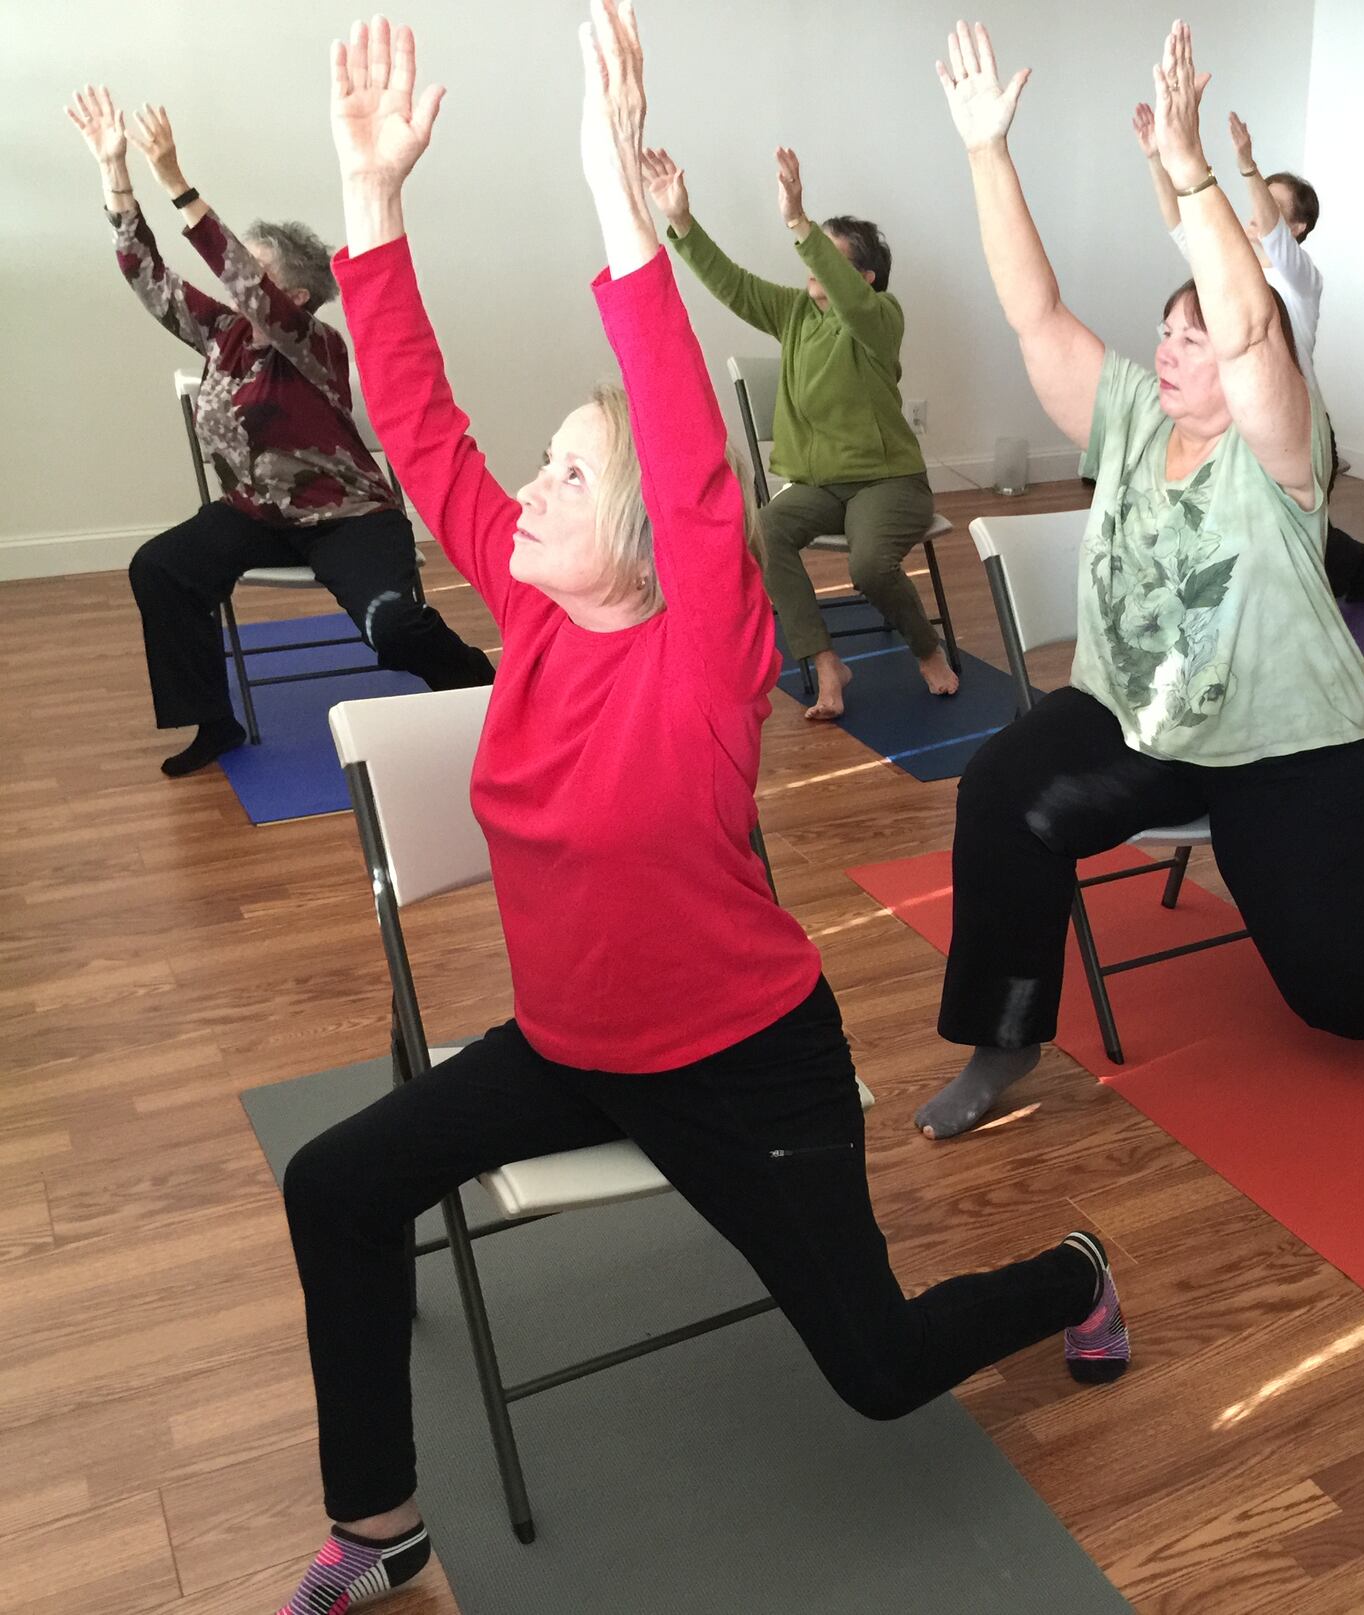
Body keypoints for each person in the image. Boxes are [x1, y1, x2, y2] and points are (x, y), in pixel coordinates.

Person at [273, 10, 1127, 1610]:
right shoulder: (530, 617)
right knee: (339, 1178)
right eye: (540, 468)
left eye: (573, 477)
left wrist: (614, 180)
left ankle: (1072, 1271)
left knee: (874, 1370)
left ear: (655, 536)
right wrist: (367, 198)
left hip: (747, 1063)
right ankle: (381, 1521)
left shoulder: (706, 648)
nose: (527, 490)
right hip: (571, 1047)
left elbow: (680, 427)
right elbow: (417, 419)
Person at [913, 19, 1364, 1142]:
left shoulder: (1284, 449)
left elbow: (1253, 333)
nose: (1171, 347)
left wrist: (1195, 172)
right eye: (1166, 330)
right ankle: (1004, 1035)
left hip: (1290, 748)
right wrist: (984, 153)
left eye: (1194, 337)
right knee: (1000, 792)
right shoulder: (1127, 414)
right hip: (1140, 727)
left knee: (1341, 997)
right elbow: (1033, 311)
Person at [65, 87, 495, 778]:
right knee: (161, 567)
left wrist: (176, 181)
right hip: (258, 515)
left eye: (254, 267)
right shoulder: (222, 332)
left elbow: (244, 280)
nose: (239, 283)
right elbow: (146, 274)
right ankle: (216, 721)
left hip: (349, 516)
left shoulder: (314, 342)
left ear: (292, 294)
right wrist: (114, 171)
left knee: (392, 625)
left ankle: (480, 688)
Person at [639, 143, 959, 720]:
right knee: (765, 531)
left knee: (867, 567)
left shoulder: (881, 318)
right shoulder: (793, 314)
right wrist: (680, 220)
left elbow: (854, 304)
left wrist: (798, 221)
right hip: (819, 486)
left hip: (888, 484)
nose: (811, 266)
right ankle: (825, 659)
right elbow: (732, 284)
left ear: (863, 278)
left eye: (828, 260)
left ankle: (927, 649)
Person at [1134, 98, 1364, 602]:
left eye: (1268, 201)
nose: (1253, 208)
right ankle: (1337, 558)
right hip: (1236, 415)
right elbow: (1180, 221)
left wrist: (1246, 162)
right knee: (1253, 517)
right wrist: (1156, 158)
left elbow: (1269, 229)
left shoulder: (1300, 278)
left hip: (1295, 423)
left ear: (1297, 228)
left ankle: (1347, 560)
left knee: (1283, 524)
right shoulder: (1229, 268)